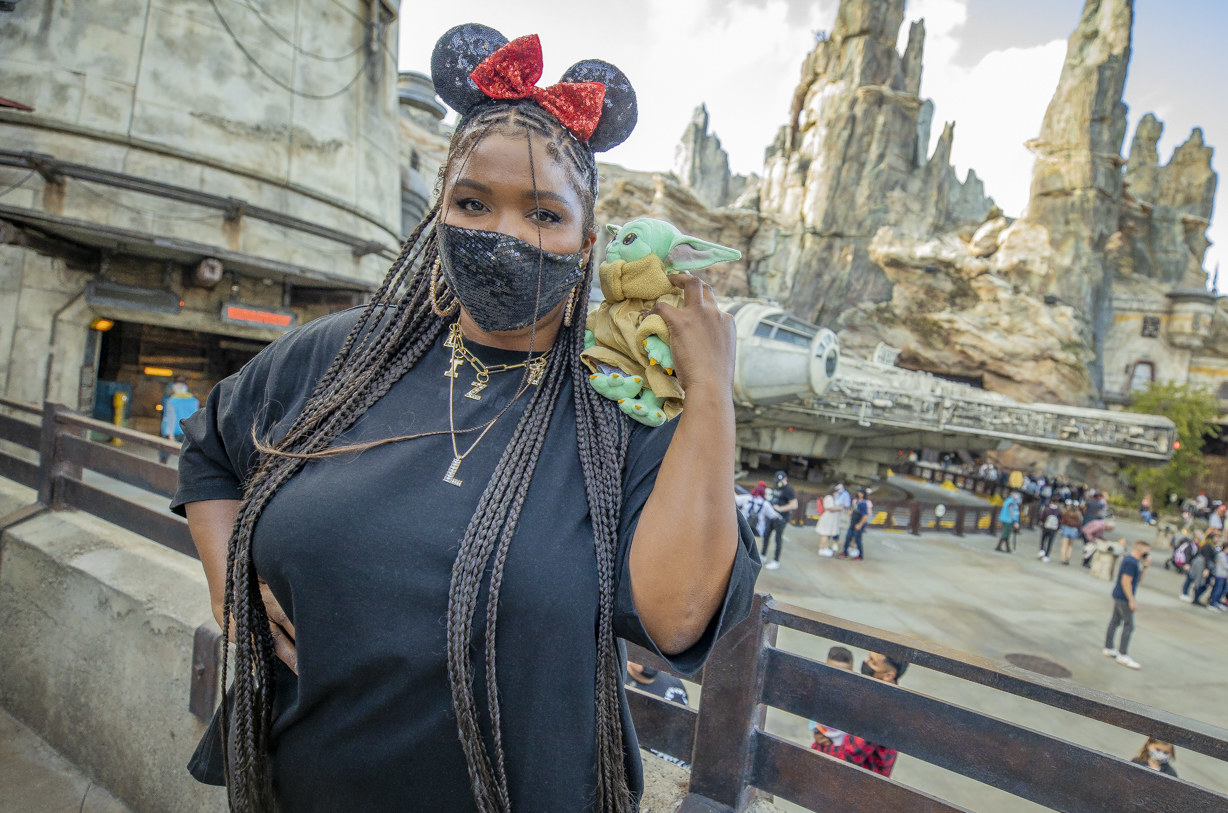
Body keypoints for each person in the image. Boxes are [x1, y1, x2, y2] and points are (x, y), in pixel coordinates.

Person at [172, 24, 758, 813]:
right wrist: (230, 585)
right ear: (437, 209)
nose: (504, 234)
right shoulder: (340, 355)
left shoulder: (622, 413)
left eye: (544, 214)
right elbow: (210, 450)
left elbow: (680, 616)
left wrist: (711, 389)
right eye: (473, 202)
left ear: (589, 241)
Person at [814, 651, 908, 777]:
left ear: (888, 676)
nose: (865, 662)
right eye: (868, 657)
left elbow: (848, 756)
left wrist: (819, 747)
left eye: (873, 662)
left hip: (858, 781)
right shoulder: (877, 690)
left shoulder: (879, 709)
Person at [1104, 540, 1150, 669]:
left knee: (1115, 621)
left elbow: (1138, 580)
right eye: (1146, 551)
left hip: (1119, 595)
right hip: (1124, 597)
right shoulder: (1130, 562)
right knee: (1129, 625)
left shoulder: (1132, 561)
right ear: (1140, 549)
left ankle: (1108, 647)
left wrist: (1145, 566)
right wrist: (1131, 600)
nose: (1147, 553)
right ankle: (1123, 654)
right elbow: (1126, 581)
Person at [809, 646, 854, 750]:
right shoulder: (822, 691)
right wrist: (817, 732)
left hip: (844, 748)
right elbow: (814, 719)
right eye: (832, 673)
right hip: (823, 743)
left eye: (843, 674)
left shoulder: (855, 697)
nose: (837, 679)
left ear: (852, 672)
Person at [739, 482, 781, 568]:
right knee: (753, 548)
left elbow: (735, 500)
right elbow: (773, 515)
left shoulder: (747, 498)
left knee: (741, 544)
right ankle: (748, 564)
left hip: (744, 526)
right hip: (757, 528)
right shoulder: (765, 504)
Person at [159, 375, 200, 464]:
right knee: (186, 456)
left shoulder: (171, 401)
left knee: (164, 453)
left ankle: (163, 469)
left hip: (173, 431)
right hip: (187, 432)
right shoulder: (194, 401)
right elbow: (195, 418)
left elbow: (171, 418)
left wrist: (170, 435)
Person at [766, 470, 798, 568]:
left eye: (780, 480)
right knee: (766, 534)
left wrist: (780, 509)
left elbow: (794, 505)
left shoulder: (788, 489)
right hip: (772, 515)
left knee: (778, 538)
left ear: (785, 479)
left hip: (782, 518)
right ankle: (762, 555)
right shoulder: (776, 486)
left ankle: (776, 561)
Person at [839, 488, 870, 560]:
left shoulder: (863, 504)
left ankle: (860, 555)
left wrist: (860, 524)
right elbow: (853, 510)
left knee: (858, 540)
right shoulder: (857, 502)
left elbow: (865, 516)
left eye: (861, 493)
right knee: (848, 538)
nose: (859, 494)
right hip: (853, 523)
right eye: (859, 493)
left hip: (858, 524)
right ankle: (845, 552)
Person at [815, 487, 841, 556]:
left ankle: (824, 547)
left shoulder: (831, 497)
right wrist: (840, 508)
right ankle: (822, 549)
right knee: (825, 534)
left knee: (827, 534)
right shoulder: (829, 498)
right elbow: (830, 508)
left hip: (830, 519)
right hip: (828, 518)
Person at [1058, 500, 1083, 566]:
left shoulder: (1066, 513)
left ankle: (1062, 558)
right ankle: (1067, 558)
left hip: (1066, 528)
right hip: (1074, 530)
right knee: (1070, 546)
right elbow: (1079, 523)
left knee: (1064, 545)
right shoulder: (1078, 514)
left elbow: (1062, 521)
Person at [1037, 497, 1061, 562]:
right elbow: (1060, 520)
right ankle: (1047, 555)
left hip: (1045, 527)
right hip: (1053, 529)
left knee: (1043, 539)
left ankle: (1042, 550)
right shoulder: (1058, 511)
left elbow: (1041, 517)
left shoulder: (1046, 509)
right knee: (1050, 542)